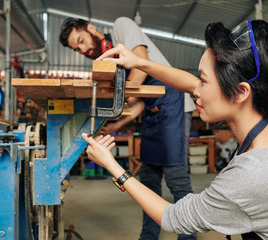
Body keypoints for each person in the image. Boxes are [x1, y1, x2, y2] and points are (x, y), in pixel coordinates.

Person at [82, 19, 268, 240]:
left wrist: (113, 166)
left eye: (204, 81)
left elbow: (173, 217)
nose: (196, 90)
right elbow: (191, 84)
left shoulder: (251, 177)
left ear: (241, 91)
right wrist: (139, 62)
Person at [59, 17, 196, 240]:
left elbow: (141, 67)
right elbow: (140, 100)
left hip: (173, 104)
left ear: (91, 28)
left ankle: (188, 237)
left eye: (81, 40)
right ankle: (148, 236)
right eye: (77, 48)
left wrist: (113, 105)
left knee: (176, 179)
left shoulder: (121, 26)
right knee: (149, 180)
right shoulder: (112, 60)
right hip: (153, 111)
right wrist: (114, 125)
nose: (83, 49)